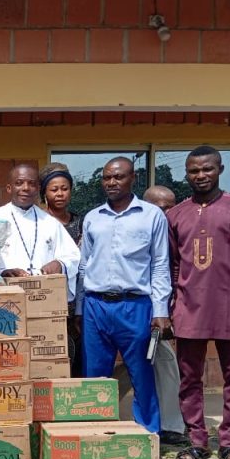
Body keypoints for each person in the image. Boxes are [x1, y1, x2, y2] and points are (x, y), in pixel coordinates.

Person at [167, 146, 230, 459]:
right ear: (187, 173)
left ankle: (228, 443)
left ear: (220, 169)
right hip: (189, 308)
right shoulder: (176, 215)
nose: (200, 176)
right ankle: (197, 441)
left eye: (207, 169)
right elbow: (170, 265)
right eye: (194, 171)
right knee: (188, 379)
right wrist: (169, 305)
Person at [76, 157, 171, 434]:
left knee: (141, 374)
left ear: (133, 179)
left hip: (135, 306)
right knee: (95, 377)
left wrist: (160, 310)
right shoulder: (93, 217)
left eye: (118, 177)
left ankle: (147, 435)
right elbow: (84, 266)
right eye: (106, 178)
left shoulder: (152, 215)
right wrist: (81, 309)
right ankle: (96, 434)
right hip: (96, 306)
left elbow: (160, 264)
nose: (112, 182)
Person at [140, 185, 188, 447]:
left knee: (165, 362)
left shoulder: (179, 234)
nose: (167, 213)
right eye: (161, 207)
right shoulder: (137, 230)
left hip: (161, 314)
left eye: (171, 207)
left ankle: (170, 425)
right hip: (131, 309)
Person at [0, 163, 80, 300]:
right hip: (5, 297)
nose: (26, 188)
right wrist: (2, 272)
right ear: (9, 188)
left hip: (43, 299)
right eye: (19, 183)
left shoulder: (50, 222)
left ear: (38, 189)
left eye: (31, 184)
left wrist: (60, 264)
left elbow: (72, 256)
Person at [40, 162, 83, 245]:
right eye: (54, 190)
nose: (60, 194)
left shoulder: (80, 223)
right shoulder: (36, 221)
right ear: (44, 192)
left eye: (64, 189)